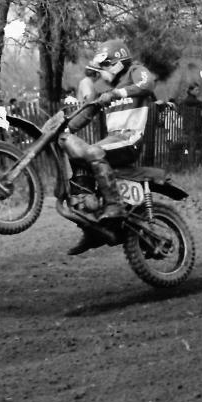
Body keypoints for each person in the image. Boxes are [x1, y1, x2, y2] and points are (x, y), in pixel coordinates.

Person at [63, 40, 158, 256]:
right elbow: (86, 114)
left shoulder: (134, 71)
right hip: (113, 140)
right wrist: (63, 127)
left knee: (92, 151)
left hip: (131, 137)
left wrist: (117, 94)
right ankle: (91, 225)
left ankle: (114, 205)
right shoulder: (106, 91)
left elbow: (148, 83)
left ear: (116, 63)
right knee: (80, 158)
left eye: (104, 65)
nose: (101, 72)